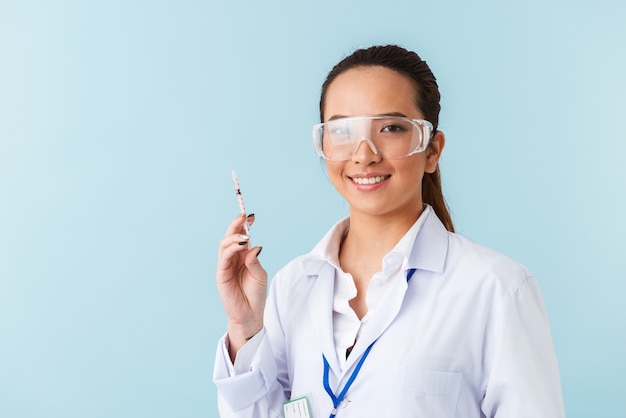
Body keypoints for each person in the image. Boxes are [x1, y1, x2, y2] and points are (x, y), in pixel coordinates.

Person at [213, 44, 565, 418]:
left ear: (432, 150)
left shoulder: (496, 289)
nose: (364, 154)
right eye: (342, 130)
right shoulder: (293, 286)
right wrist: (245, 328)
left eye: (392, 128)